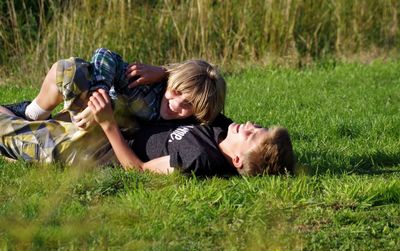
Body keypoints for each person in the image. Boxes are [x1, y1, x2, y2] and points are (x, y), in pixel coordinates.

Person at [5, 48, 226, 133]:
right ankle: (31, 113)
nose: (176, 104)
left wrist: (165, 71)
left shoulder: (191, 123)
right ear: (170, 83)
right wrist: (100, 96)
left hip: (101, 136)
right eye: (176, 92)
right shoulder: (145, 85)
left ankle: (36, 123)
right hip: (89, 111)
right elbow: (104, 54)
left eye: (188, 105)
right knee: (69, 69)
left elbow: (216, 119)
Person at [87, 89, 295, 176]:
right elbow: (204, 87)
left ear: (238, 159)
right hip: (124, 116)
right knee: (75, 73)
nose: (249, 124)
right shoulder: (221, 127)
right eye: (257, 126)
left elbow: (139, 169)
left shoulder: (198, 158)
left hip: (98, 147)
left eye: (250, 134)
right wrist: (160, 71)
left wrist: (108, 125)